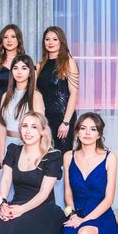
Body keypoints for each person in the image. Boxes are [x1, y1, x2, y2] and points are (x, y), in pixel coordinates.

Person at [37, 26, 79, 154]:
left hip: (63, 117)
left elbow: (74, 94)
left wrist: (66, 122)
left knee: (63, 155)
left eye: (55, 39)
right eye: (47, 39)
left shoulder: (68, 62)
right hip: (44, 118)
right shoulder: (40, 65)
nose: (50, 42)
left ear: (61, 41)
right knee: (45, 154)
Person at [0, 54, 45, 162]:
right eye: (15, 68)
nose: (19, 72)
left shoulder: (35, 96)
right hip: (8, 145)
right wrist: (1, 156)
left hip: (28, 146)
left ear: (30, 72)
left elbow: (40, 127)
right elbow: (2, 127)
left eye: (24, 68)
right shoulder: (5, 96)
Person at [0, 24, 25, 105]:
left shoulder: (26, 62)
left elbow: (32, 90)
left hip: (21, 105)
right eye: (5, 37)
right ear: (2, 41)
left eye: (13, 37)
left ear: (19, 39)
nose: (9, 40)